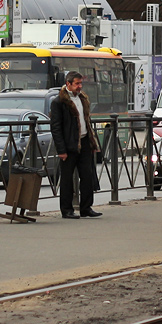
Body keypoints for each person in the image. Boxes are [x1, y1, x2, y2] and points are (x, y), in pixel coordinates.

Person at [50, 70, 102, 219]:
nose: (80, 86)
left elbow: (87, 121)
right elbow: (56, 127)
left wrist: (92, 143)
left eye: (81, 83)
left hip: (84, 142)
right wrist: (61, 149)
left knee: (87, 176)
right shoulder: (59, 101)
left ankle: (86, 208)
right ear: (68, 84)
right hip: (68, 145)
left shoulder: (82, 98)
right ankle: (66, 210)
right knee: (66, 179)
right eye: (77, 84)